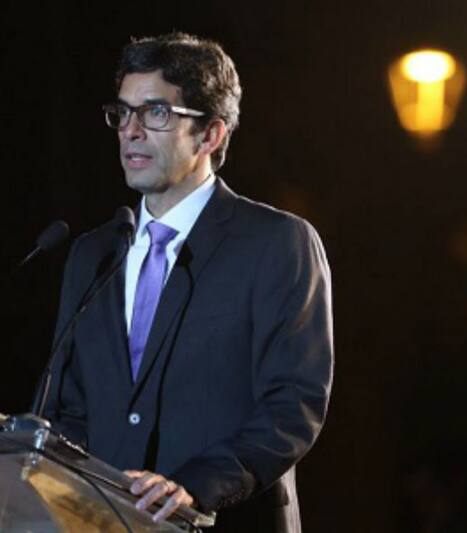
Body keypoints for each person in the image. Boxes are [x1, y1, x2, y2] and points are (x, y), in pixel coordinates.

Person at [44, 32, 333, 533]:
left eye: (155, 113)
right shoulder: (94, 254)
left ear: (211, 135)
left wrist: (195, 487)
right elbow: (70, 408)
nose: (131, 131)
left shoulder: (276, 244)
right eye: (123, 113)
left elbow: (293, 404)